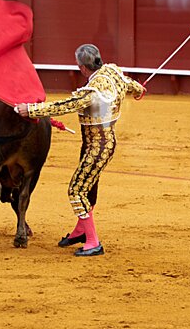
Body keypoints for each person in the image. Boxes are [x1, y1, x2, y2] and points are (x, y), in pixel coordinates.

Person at [14, 44, 145, 257]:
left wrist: (30, 110)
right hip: (96, 143)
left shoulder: (91, 93)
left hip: (98, 147)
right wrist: (139, 90)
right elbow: (129, 82)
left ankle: (93, 242)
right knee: (88, 186)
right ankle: (81, 231)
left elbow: (64, 106)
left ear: (83, 68)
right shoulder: (112, 71)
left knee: (77, 190)